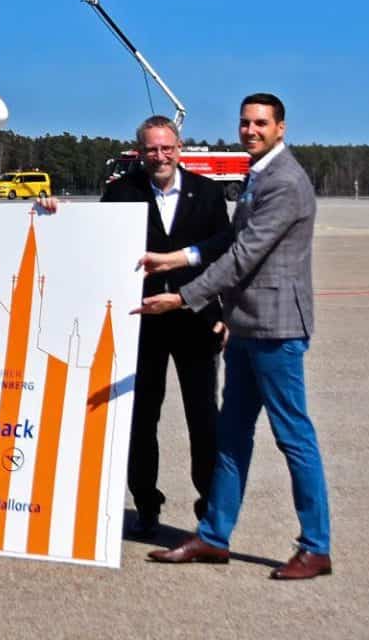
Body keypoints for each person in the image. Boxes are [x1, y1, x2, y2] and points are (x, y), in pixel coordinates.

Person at [136, 93, 333, 580]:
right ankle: (213, 536)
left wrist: (184, 298)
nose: (250, 130)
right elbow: (231, 248)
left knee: (294, 438)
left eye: (261, 123)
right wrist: (178, 262)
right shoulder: (257, 174)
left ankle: (316, 546)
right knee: (230, 437)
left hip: (277, 328)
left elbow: (244, 255)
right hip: (246, 327)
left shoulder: (284, 182)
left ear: (281, 128)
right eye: (245, 122)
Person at [102, 115, 231, 537]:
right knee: (142, 418)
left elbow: (225, 253)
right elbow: (95, 244)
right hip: (143, 323)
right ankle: (146, 504)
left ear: (180, 149)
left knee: (204, 419)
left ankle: (209, 506)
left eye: (167, 148)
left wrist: (226, 314)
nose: (160, 156)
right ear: (140, 151)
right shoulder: (121, 192)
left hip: (196, 319)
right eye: (152, 149)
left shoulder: (209, 193)